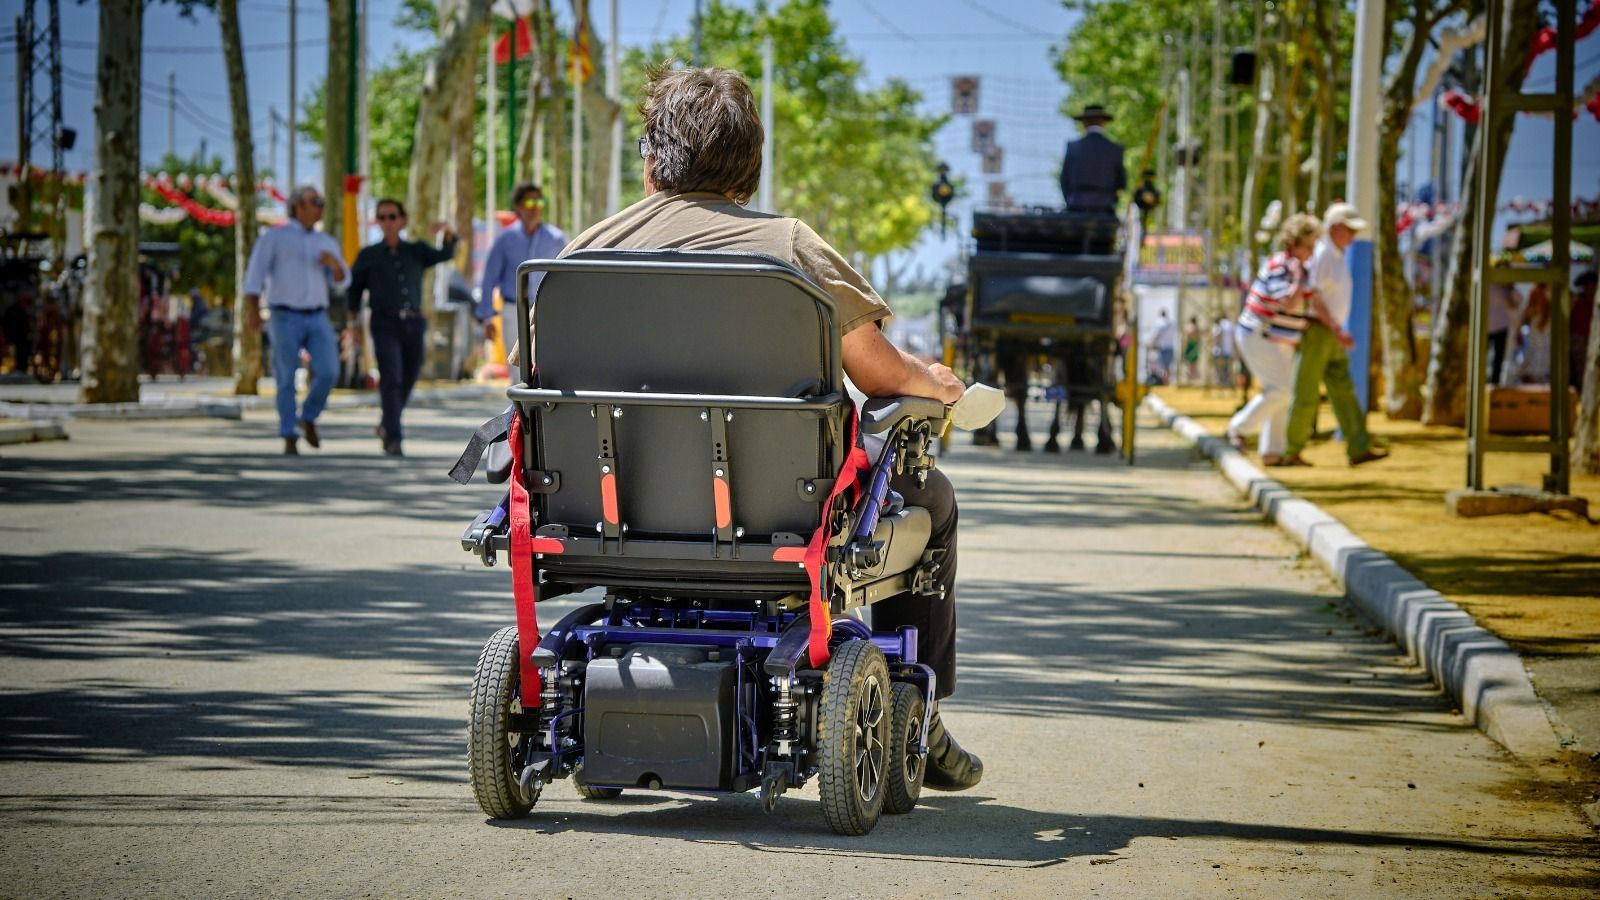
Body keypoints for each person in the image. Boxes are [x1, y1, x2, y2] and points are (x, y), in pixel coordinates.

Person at [546, 63, 982, 791]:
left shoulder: (578, 253)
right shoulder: (786, 251)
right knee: (931, 497)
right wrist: (933, 382)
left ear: (653, 164)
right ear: (748, 170)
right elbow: (880, 374)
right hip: (777, 515)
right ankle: (923, 710)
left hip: (603, 513)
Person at [243, 185, 351, 455]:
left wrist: (335, 266)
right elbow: (254, 276)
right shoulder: (274, 237)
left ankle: (309, 417)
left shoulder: (325, 241)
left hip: (317, 315)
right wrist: (253, 310)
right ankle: (289, 433)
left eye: (322, 202)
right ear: (298, 206)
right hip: (283, 315)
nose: (320, 207)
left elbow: (342, 281)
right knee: (286, 375)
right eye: (315, 201)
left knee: (329, 370)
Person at [347, 198, 459, 456]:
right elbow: (353, 292)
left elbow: (446, 253)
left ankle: (388, 421)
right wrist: (352, 325)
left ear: (402, 220)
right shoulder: (369, 255)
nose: (387, 222)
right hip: (383, 321)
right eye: (382, 217)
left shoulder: (415, 250)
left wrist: (446, 229)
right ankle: (394, 436)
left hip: (413, 321)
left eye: (392, 216)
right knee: (391, 376)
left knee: (410, 373)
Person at [1281, 203, 1387, 467]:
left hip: (1330, 333)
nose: (1352, 235)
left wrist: (1338, 331)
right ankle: (1290, 450)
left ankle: (1358, 445)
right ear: (1335, 228)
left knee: (1344, 392)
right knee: (1306, 393)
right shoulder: (1322, 254)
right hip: (1319, 331)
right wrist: (1337, 329)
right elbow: (1313, 295)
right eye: (1348, 229)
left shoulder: (1337, 255)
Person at [1226, 213, 1320, 465]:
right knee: (1280, 389)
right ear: (1293, 244)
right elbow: (1288, 303)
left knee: (1279, 392)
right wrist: (1300, 279)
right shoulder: (1281, 266)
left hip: (1280, 339)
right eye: (1308, 246)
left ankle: (1272, 452)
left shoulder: (1298, 268)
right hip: (1259, 333)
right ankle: (1239, 428)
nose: (1311, 253)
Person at [477, 182, 567, 382]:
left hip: (547, 311)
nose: (535, 206)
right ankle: (521, 414)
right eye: (529, 201)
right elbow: (489, 278)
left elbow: (566, 276)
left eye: (539, 200)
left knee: (546, 369)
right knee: (518, 371)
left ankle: (539, 413)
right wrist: (486, 317)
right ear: (517, 207)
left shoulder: (556, 238)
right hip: (513, 310)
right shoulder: (505, 240)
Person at [1058, 104, 1127, 215]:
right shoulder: (1115, 149)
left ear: (1084, 123)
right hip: (1105, 208)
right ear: (1104, 123)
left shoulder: (1073, 147)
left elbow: (1064, 180)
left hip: (1076, 206)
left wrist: (1071, 201)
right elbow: (1122, 183)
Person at [1502, 282, 1553, 385]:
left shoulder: (1543, 295)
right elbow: (1527, 313)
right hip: (1536, 334)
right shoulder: (1539, 294)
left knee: (1537, 356)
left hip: (1540, 334)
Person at [1146, 308, 1177, 385]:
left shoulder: (1159, 323)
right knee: (1167, 367)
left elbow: (1156, 335)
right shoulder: (1172, 323)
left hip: (1162, 348)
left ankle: (1165, 383)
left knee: (1163, 367)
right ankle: (1168, 382)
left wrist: (1151, 344)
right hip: (1170, 347)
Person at [1211, 314, 1237, 388]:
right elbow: (1234, 339)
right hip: (1228, 350)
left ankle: (1218, 381)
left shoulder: (1218, 325)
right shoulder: (1231, 325)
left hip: (1217, 350)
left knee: (1217, 367)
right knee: (1226, 367)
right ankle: (1226, 381)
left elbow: (1216, 337)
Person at [1182, 316, 1202, 384]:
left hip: (1192, 346)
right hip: (1193, 346)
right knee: (1193, 365)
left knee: (1191, 365)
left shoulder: (1190, 327)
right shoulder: (1196, 328)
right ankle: (1193, 379)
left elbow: (1186, 336)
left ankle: (1192, 379)